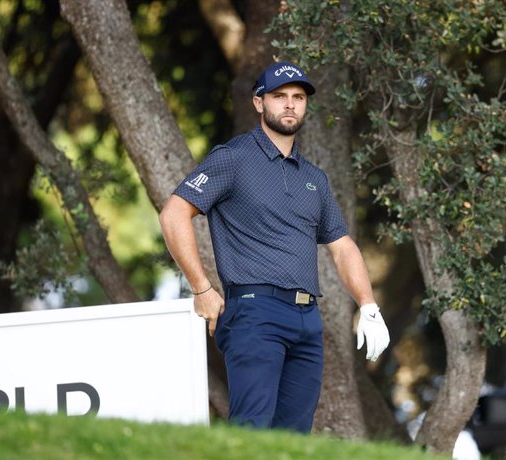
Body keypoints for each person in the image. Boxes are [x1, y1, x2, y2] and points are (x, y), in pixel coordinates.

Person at [159, 61, 390, 433]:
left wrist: (368, 305)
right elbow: (173, 214)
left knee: (292, 442)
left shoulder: (314, 177)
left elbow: (342, 246)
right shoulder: (232, 158)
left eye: (298, 98)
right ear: (258, 103)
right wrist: (201, 289)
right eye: (279, 96)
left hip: (307, 320)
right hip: (254, 313)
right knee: (251, 432)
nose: (289, 105)